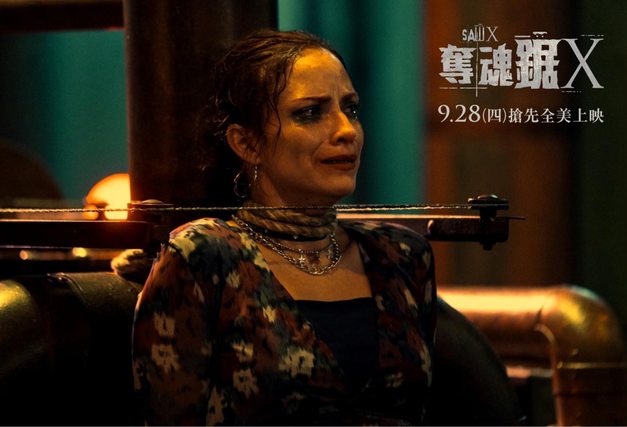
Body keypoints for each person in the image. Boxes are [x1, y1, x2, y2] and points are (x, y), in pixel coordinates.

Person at [131, 29, 436, 425]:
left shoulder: (401, 255)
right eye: (310, 113)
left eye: (351, 109)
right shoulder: (205, 255)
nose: (346, 130)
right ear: (247, 143)